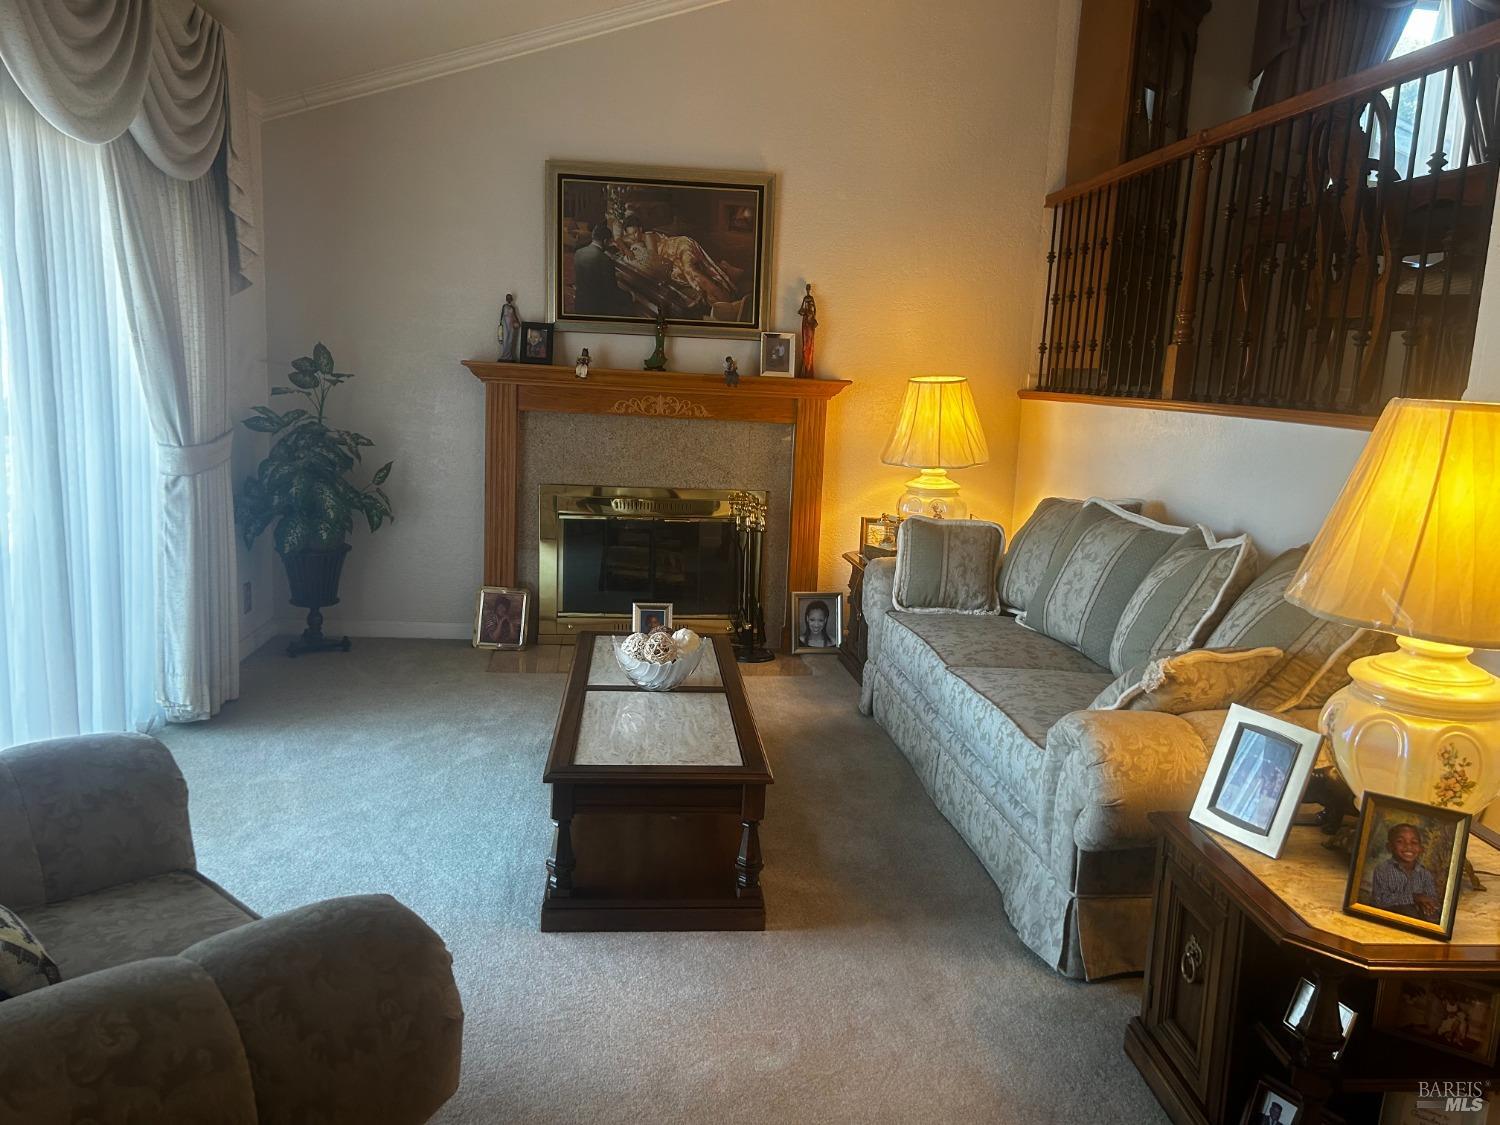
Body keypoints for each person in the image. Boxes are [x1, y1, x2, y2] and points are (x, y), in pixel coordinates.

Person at [1369, 823, 1440, 920]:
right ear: (1389, 847)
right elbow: (1379, 901)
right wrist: (1414, 898)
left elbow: (1431, 899)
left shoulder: (1425, 874)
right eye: (1400, 841)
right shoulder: (1383, 870)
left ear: (1421, 849)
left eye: (1414, 842)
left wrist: (1428, 906)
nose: (1408, 846)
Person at [572, 223, 629, 316]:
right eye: (610, 241)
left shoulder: (578, 252)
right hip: (597, 309)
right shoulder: (605, 260)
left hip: (580, 304)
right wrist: (629, 295)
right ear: (605, 240)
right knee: (627, 301)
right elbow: (612, 291)